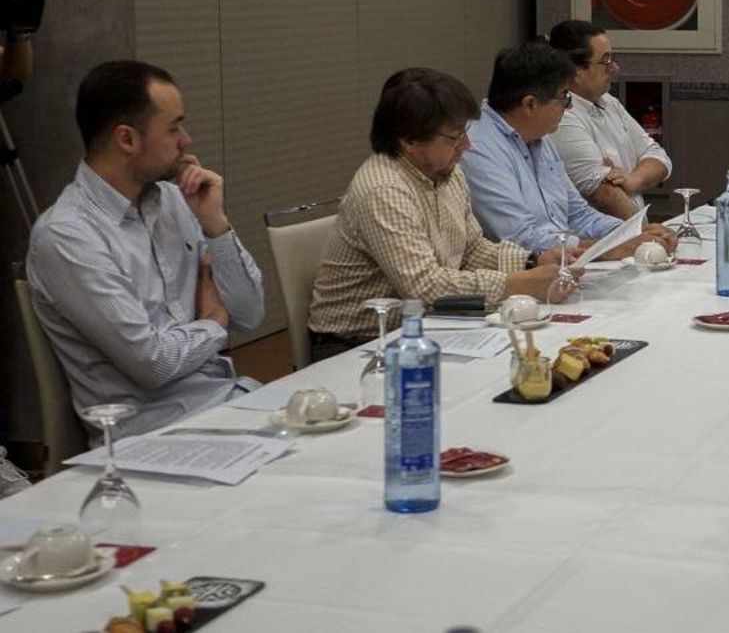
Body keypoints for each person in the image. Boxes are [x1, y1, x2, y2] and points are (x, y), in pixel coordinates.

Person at [27, 61, 265, 436]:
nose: (186, 141)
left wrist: (215, 226)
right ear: (127, 139)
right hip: (157, 437)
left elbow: (250, 314)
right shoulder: (68, 237)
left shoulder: (176, 201)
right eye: (173, 128)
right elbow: (153, 365)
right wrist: (214, 323)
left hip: (228, 404)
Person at [307, 68, 570, 360]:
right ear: (408, 140)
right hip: (358, 345)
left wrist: (533, 259)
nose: (467, 147)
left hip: (428, 326)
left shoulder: (446, 172)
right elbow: (424, 286)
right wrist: (519, 284)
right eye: (454, 138)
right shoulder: (384, 190)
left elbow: (471, 249)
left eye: (465, 133)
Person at [459, 41, 677, 257]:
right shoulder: (478, 148)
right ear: (530, 105)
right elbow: (518, 239)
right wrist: (606, 248)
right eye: (564, 96)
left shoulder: (538, 138)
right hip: (522, 279)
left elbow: (577, 213)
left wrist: (628, 233)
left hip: (566, 265)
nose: (570, 106)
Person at [547, 20, 673, 220]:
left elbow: (660, 158)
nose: (614, 68)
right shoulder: (562, 117)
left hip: (633, 232)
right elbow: (605, 194)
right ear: (575, 70)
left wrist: (631, 180)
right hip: (603, 240)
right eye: (605, 61)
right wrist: (646, 234)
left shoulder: (609, 102)